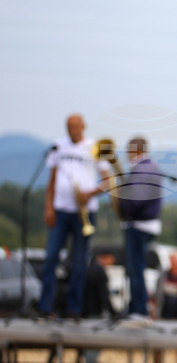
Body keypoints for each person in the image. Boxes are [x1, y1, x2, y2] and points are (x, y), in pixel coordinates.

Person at [38, 113, 110, 320]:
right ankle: (46, 307)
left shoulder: (93, 147)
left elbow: (108, 181)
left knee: (79, 261)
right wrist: (48, 208)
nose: (72, 130)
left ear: (83, 126)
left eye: (76, 126)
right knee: (51, 257)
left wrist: (89, 193)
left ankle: (74, 309)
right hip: (61, 210)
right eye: (69, 126)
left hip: (84, 212)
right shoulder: (58, 146)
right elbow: (51, 181)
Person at [117, 137, 162, 316]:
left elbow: (136, 199)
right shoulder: (148, 167)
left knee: (135, 268)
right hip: (144, 223)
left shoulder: (142, 169)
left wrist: (123, 206)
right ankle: (136, 305)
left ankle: (138, 308)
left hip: (139, 224)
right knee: (136, 267)